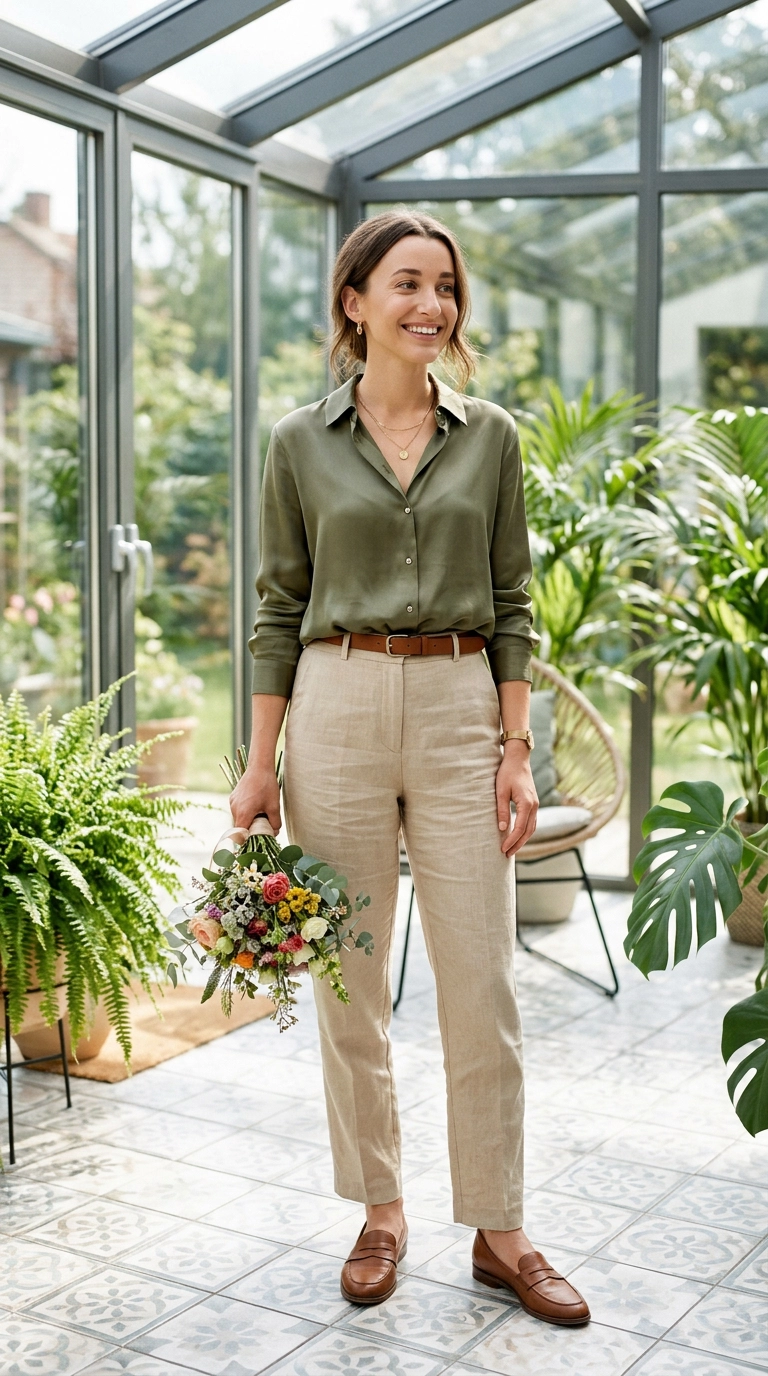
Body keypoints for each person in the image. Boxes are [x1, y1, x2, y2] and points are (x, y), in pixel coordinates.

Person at [230, 208, 590, 1325]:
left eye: (446, 288)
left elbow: (517, 601)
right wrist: (256, 765)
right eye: (407, 284)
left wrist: (516, 746)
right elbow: (278, 607)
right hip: (334, 703)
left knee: (480, 975)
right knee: (349, 976)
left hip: (458, 700)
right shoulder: (298, 441)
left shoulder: (491, 437)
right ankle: (379, 1208)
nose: (431, 304)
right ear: (356, 302)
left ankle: (500, 1224)